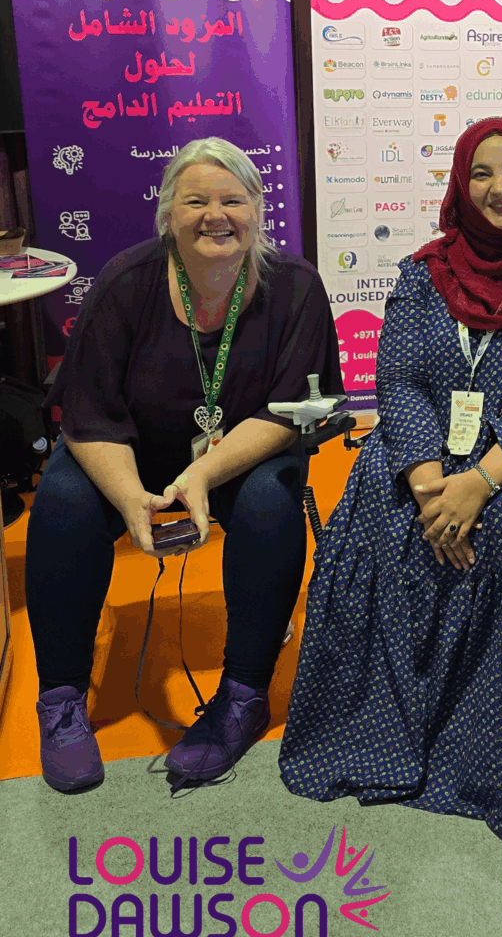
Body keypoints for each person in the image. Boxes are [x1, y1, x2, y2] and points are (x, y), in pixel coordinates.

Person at [278, 118, 502, 841]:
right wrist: (431, 480)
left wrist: (482, 483)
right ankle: (378, 736)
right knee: (379, 487)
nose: (499, 188)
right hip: (432, 456)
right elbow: (398, 380)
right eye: (481, 173)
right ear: (460, 186)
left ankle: (482, 762)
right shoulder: (424, 273)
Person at [28, 136, 342, 792]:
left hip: (236, 458)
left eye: (233, 199)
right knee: (61, 499)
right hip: (132, 454)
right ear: (169, 213)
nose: (215, 215)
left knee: (270, 500)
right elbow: (86, 415)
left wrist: (202, 475)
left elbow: (291, 413)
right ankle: (59, 702)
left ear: (258, 209)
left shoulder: (297, 289)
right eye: (196, 200)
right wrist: (129, 497)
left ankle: (243, 694)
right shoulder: (124, 284)